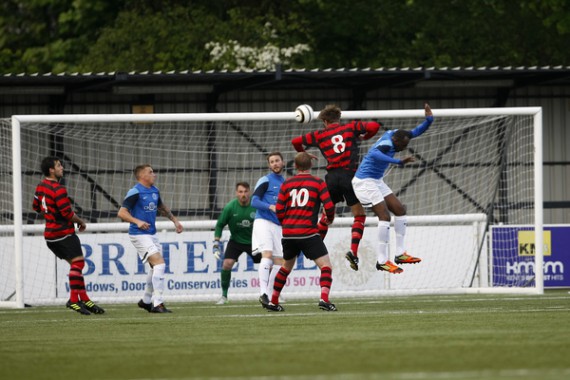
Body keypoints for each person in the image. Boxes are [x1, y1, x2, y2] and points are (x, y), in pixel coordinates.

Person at [291, 104, 380, 271]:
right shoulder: (350, 127)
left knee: (326, 216)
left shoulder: (319, 135)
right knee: (359, 215)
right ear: (338, 118)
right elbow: (374, 126)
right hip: (349, 177)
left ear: (325, 121)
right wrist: (365, 137)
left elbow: (295, 142)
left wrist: (304, 154)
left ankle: (315, 248)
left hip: (331, 179)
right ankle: (353, 251)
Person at [352, 103, 434, 274]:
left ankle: (400, 254)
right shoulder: (388, 144)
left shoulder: (398, 135)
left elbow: (415, 132)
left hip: (376, 180)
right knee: (384, 215)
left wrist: (429, 120)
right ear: (395, 142)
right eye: (401, 147)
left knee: (400, 209)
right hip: (364, 182)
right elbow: (374, 153)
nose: (403, 149)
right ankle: (382, 260)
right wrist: (398, 161)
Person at [32, 157, 105, 315]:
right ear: (51, 170)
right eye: (59, 165)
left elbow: (36, 207)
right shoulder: (58, 189)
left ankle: (84, 299)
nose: (62, 168)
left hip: (50, 236)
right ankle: (74, 300)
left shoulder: (40, 186)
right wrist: (80, 222)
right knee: (78, 264)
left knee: (76, 266)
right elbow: (66, 213)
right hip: (63, 233)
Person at [266, 152, 336, 312]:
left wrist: (286, 223)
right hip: (308, 233)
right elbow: (329, 207)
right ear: (311, 165)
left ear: (295, 166)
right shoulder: (318, 183)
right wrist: (328, 219)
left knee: (285, 267)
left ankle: (273, 301)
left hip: (289, 233)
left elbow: (279, 210)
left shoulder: (286, 184)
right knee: (326, 266)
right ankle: (324, 299)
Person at [118, 164, 183, 313]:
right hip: (138, 234)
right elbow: (121, 213)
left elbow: (161, 207)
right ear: (142, 176)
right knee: (160, 264)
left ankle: (146, 300)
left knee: (155, 268)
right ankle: (157, 304)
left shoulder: (154, 191)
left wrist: (175, 220)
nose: (154, 174)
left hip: (152, 234)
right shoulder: (135, 192)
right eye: (151, 172)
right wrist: (137, 221)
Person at [212, 182, 259, 305]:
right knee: (227, 264)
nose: (243, 194)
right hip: (236, 241)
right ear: (236, 193)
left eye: (245, 191)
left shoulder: (256, 205)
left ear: (249, 192)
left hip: (254, 241)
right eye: (240, 192)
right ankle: (224, 296)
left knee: (268, 264)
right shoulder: (230, 207)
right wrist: (216, 243)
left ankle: (273, 293)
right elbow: (220, 225)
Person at [251, 151, 285, 308]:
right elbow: (254, 201)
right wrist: (270, 206)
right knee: (268, 255)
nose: (275, 164)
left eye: (277, 161)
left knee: (280, 261)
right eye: (272, 162)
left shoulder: (284, 182)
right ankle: (263, 293)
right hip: (263, 221)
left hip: (278, 225)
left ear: (282, 162)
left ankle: (270, 295)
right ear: (269, 165)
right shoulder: (265, 180)